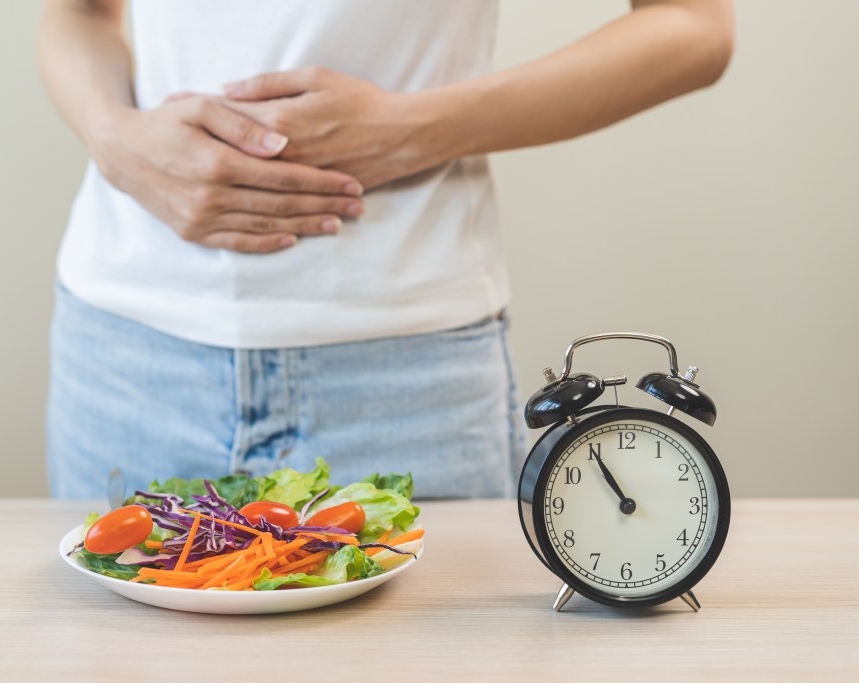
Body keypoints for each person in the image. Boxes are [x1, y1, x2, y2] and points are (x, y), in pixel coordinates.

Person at [38, 0, 734, 499]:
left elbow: (696, 25)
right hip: (127, 363)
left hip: (408, 373)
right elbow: (78, 12)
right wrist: (113, 139)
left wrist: (412, 129)